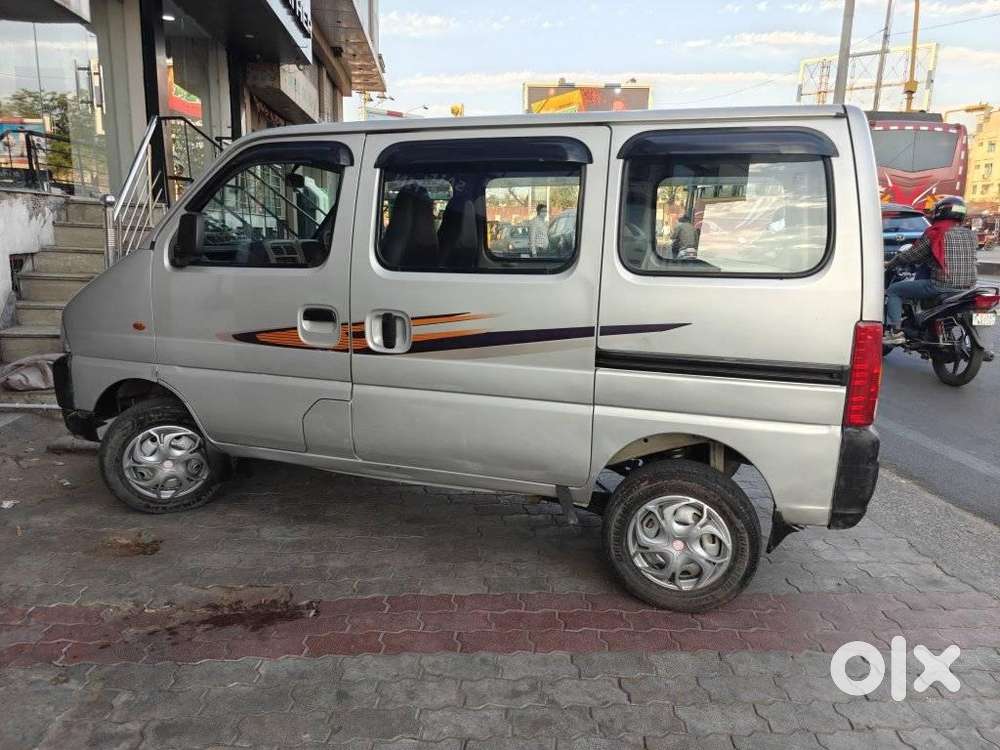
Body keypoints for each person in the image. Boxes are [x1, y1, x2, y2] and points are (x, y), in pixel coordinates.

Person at [884, 196, 977, 345]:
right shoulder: (971, 235)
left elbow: (912, 255)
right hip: (969, 286)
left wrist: (890, 264)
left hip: (941, 285)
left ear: (940, 213)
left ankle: (895, 331)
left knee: (894, 290)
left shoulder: (935, 232)